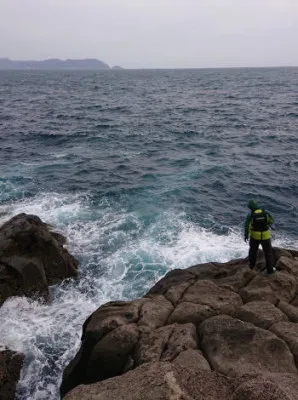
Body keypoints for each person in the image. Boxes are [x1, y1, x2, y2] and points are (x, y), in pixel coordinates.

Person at [244, 199, 276, 274]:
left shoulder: (250, 215)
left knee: (253, 252)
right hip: (265, 236)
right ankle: (270, 270)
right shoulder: (266, 212)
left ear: (251, 208)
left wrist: (246, 235)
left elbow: (247, 226)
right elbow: (272, 221)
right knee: (268, 253)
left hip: (255, 236)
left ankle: (251, 266)